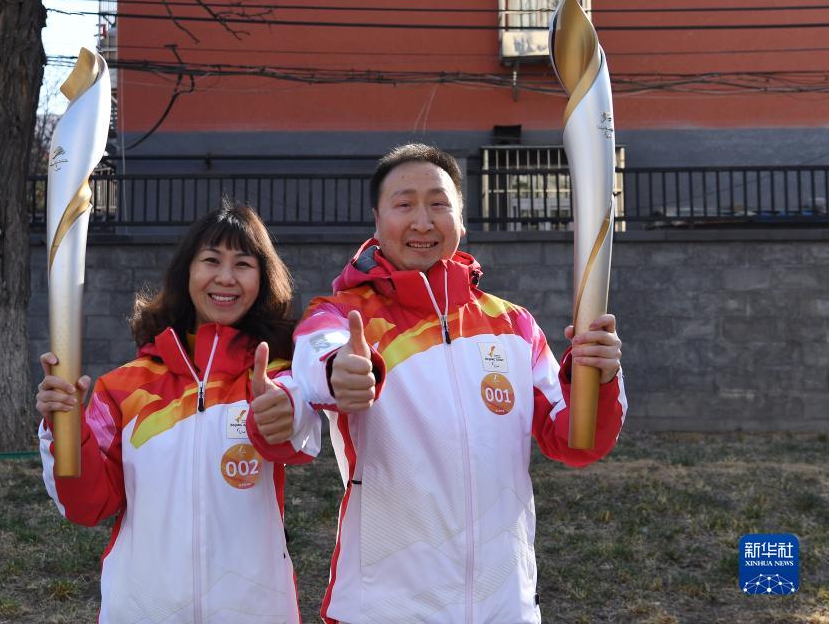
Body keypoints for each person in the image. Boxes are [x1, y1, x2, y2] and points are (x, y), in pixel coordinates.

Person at [248, 144, 627, 624]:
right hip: (386, 607)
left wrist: (597, 378)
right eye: (404, 204)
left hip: (503, 603)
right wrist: (341, 371)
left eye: (439, 204)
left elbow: (576, 441)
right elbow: (315, 361)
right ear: (377, 221)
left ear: (461, 221)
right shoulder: (341, 314)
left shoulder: (513, 326)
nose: (423, 222)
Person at [36, 200, 321, 624]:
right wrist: (65, 428)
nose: (226, 278)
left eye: (243, 264)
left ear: (262, 280)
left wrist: (283, 414)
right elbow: (87, 505)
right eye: (211, 261)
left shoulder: (273, 375)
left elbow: (298, 439)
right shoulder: (124, 389)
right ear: (186, 272)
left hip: (253, 610)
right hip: (144, 611)